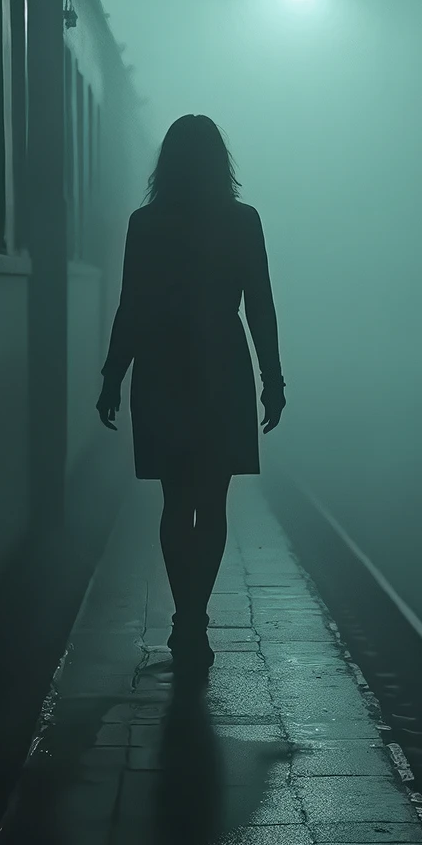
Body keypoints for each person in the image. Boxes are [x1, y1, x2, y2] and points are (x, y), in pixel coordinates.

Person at [97, 116, 285, 667]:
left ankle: (184, 618)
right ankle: (197, 618)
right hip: (223, 367)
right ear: (220, 165)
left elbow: (131, 305)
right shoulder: (243, 221)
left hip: (162, 365)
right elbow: (261, 307)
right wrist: (272, 382)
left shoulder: (146, 224)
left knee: (175, 501)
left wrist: (113, 374)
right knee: (213, 499)